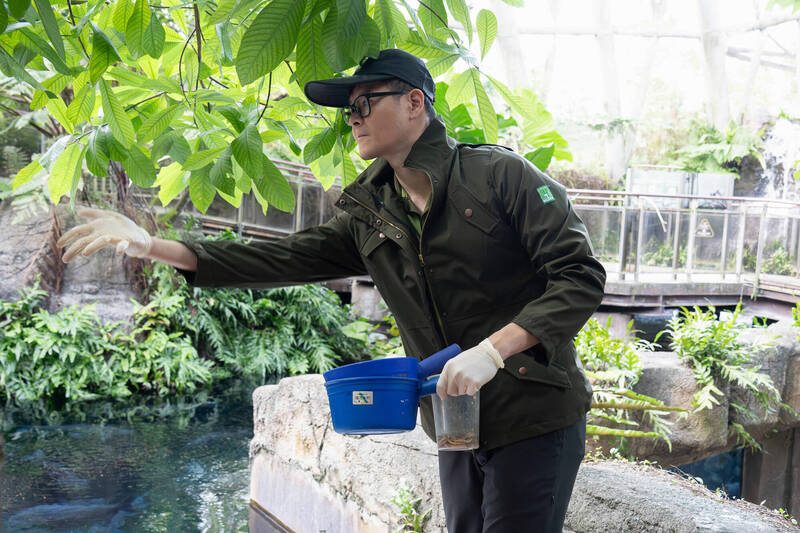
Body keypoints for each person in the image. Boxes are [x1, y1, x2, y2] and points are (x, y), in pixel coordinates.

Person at [58, 49, 606, 532]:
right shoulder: (371, 212)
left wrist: (494, 350)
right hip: (453, 419)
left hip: (534, 411)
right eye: (349, 107)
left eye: (366, 102)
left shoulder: (499, 177)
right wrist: (153, 246)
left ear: (414, 103)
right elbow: (280, 257)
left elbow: (580, 275)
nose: (352, 116)